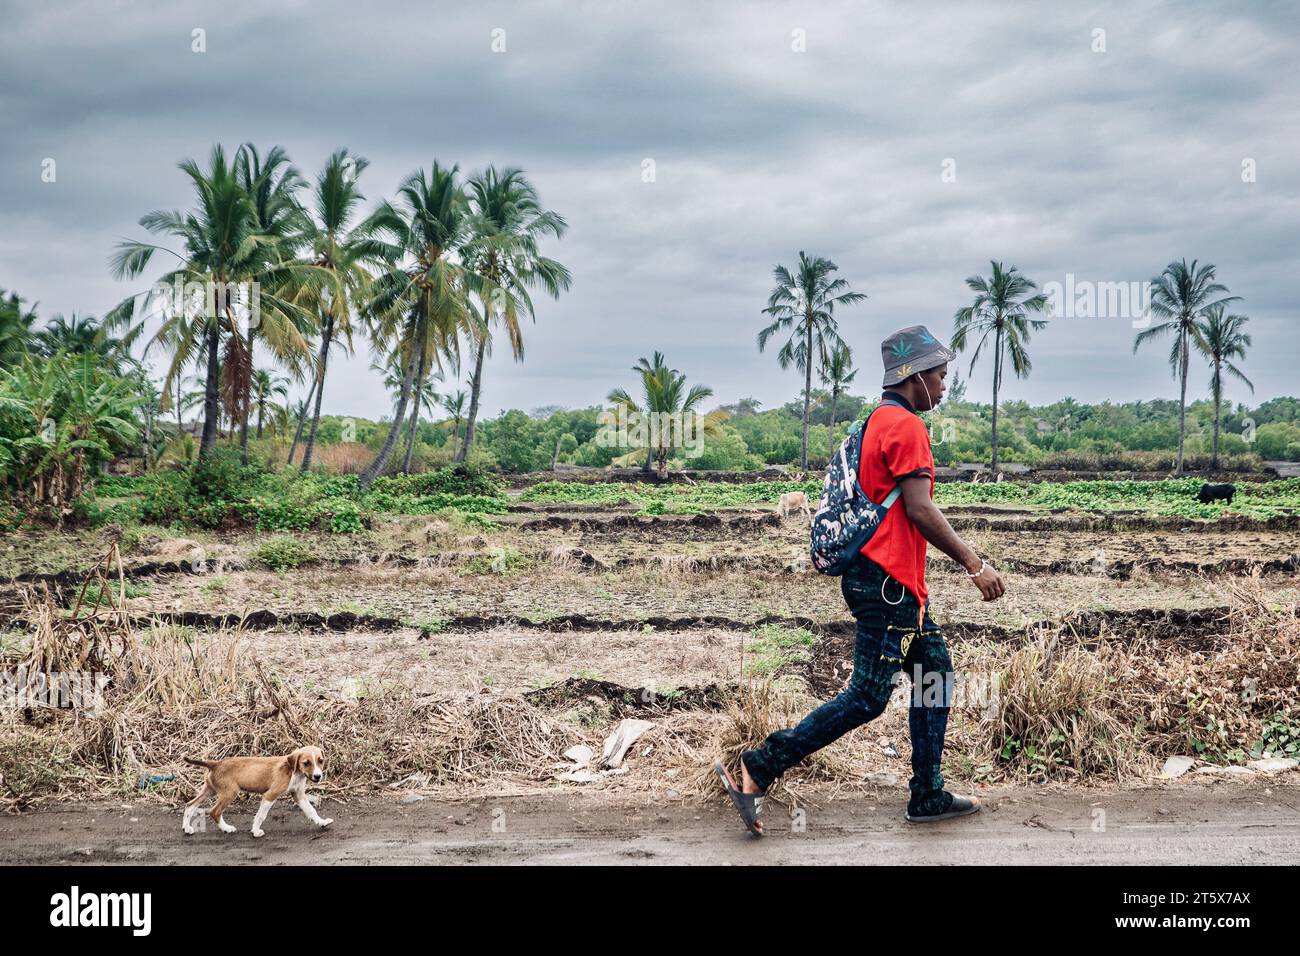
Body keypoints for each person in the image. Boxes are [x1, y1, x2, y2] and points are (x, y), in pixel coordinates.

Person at [716, 325, 1007, 835]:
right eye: (939, 376)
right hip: (888, 583)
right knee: (868, 698)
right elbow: (919, 508)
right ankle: (759, 766)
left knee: (934, 673)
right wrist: (974, 563)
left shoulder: (872, 421)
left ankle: (928, 794)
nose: (943, 386)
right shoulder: (908, 427)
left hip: (887, 583)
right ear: (915, 378)